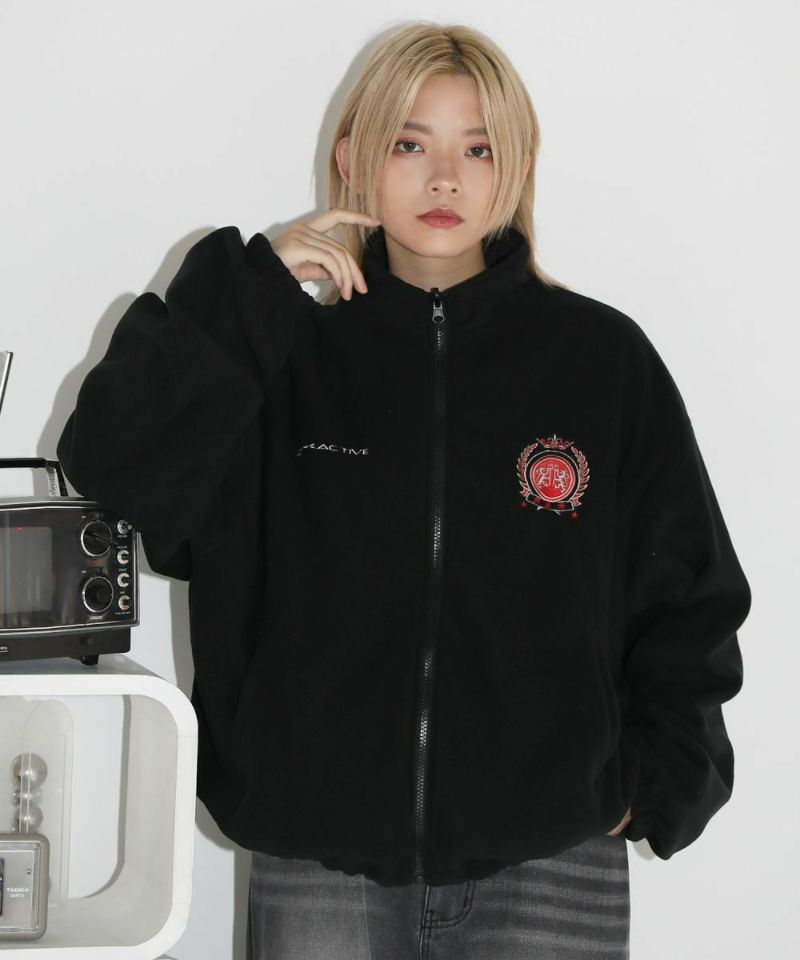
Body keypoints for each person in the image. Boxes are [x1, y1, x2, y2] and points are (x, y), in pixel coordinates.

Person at [56, 20, 751, 960]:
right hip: (319, 863)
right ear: (354, 157)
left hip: (554, 859)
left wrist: (655, 786)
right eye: (410, 144)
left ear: (518, 167)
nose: (445, 180)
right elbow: (116, 468)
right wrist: (253, 292)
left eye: (479, 149)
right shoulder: (280, 356)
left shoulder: (601, 362)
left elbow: (688, 594)